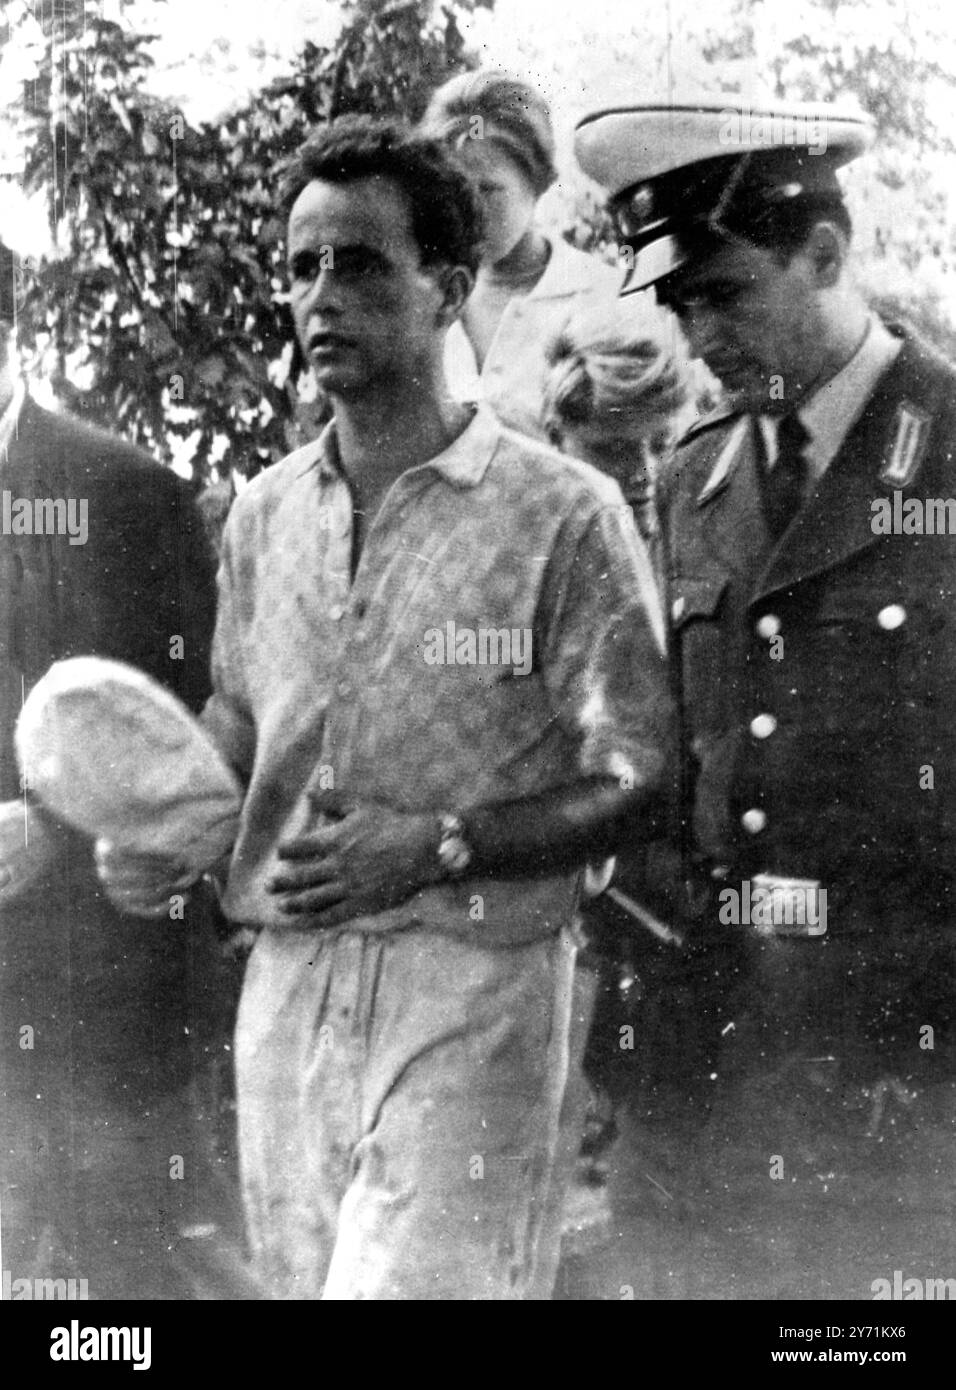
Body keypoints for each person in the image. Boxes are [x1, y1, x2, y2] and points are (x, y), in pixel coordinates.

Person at [98, 115, 673, 1301]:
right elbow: (242, 719)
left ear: (447, 287)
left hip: (472, 978)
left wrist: (441, 842)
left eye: (358, 263)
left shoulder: (559, 512)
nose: (320, 297)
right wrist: (156, 815)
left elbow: (639, 772)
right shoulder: (262, 514)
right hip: (289, 986)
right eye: (302, 266)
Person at [573, 95, 956, 1284]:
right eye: (680, 303)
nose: (699, 335)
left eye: (726, 291)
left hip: (893, 1062)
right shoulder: (693, 477)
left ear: (825, 255)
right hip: (697, 1052)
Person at [0, 239, 222, 1297]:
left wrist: (59, 819)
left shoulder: (121, 491)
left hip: (91, 975)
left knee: (128, 1274)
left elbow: (195, 731)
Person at [420, 69, 622, 441]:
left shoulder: (604, 297)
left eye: (488, 190)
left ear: (539, 183)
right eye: (452, 191)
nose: (467, 211)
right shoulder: (423, 300)